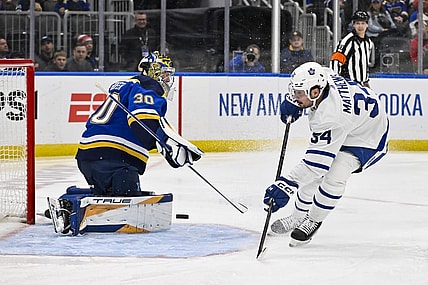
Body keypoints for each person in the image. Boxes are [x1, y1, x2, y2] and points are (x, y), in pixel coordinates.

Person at [47, 52, 203, 235]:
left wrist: (168, 143)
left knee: (106, 197)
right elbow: (143, 121)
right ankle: (75, 210)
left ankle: (71, 200)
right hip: (117, 158)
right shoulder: (147, 87)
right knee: (129, 204)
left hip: (87, 155)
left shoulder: (126, 86)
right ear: (151, 72)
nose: (168, 79)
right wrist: (166, 146)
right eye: (165, 73)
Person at [263, 62, 389, 247]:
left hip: (368, 137)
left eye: (299, 93)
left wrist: (286, 184)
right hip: (355, 121)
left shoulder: (329, 116)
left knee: (334, 175)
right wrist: (293, 101)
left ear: (315, 93)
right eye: (295, 91)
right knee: (315, 178)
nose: (295, 96)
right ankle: (298, 217)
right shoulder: (323, 76)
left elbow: (316, 165)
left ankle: (313, 220)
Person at [330, 10, 374, 88]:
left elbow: (364, 64)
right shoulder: (347, 41)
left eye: (363, 23)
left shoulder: (368, 42)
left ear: (367, 25)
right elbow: (335, 62)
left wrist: (365, 81)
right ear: (353, 25)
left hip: (361, 85)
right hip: (348, 84)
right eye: (357, 23)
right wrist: (336, 82)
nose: (360, 26)